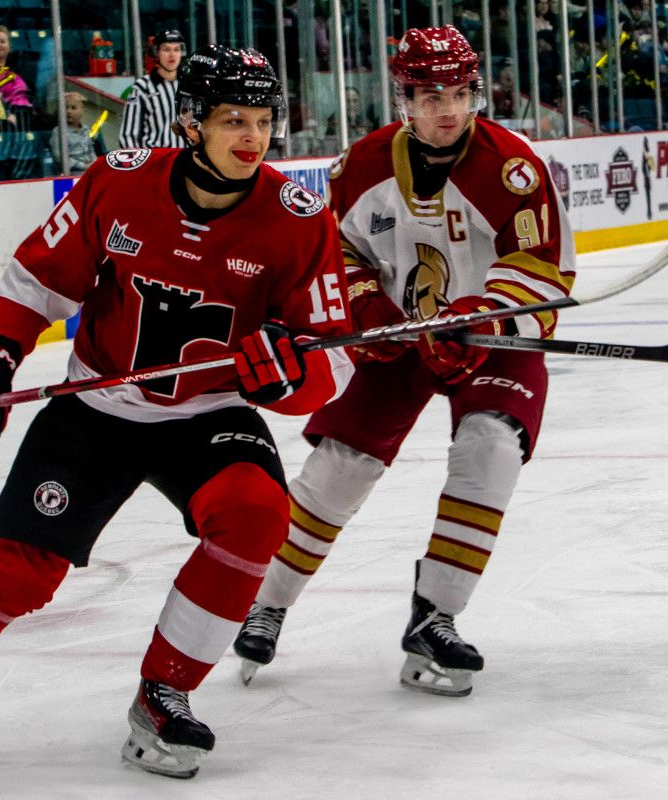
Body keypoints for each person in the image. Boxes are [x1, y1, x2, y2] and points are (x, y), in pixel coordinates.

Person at [0, 44, 354, 781]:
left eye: (265, 120)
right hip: (97, 405)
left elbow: (332, 357)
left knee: (256, 516)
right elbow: (36, 280)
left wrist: (288, 377)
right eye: (232, 119)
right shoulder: (119, 182)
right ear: (190, 122)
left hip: (208, 413)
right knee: (16, 574)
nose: (252, 138)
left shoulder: (298, 220)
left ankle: (163, 695)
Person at [233, 25, 575, 698]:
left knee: (490, 447)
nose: (445, 110)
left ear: (476, 93)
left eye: (457, 94)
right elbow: (340, 254)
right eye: (428, 96)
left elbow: (539, 269)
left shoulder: (514, 168)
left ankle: (436, 617)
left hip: (488, 340)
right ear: (404, 100)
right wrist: (367, 315)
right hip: (397, 338)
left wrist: (485, 319)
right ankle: (265, 601)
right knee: (341, 465)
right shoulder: (362, 167)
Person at [120, 28, 183, 149]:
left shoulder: (188, 85)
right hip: (156, 160)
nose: (172, 54)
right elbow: (128, 135)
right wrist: (139, 166)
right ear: (156, 52)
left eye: (176, 49)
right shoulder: (141, 87)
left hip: (184, 160)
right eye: (166, 49)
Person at [51, 91, 104, 174]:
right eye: (65, 108)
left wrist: (94, 164)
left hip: (90, 170)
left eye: (73, 108)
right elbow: (59, 158)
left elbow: (90, 150)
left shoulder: (86, 130)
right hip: (72, 172)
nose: (68, 111)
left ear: (82, 111)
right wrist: (83, 166)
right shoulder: (58, 132)